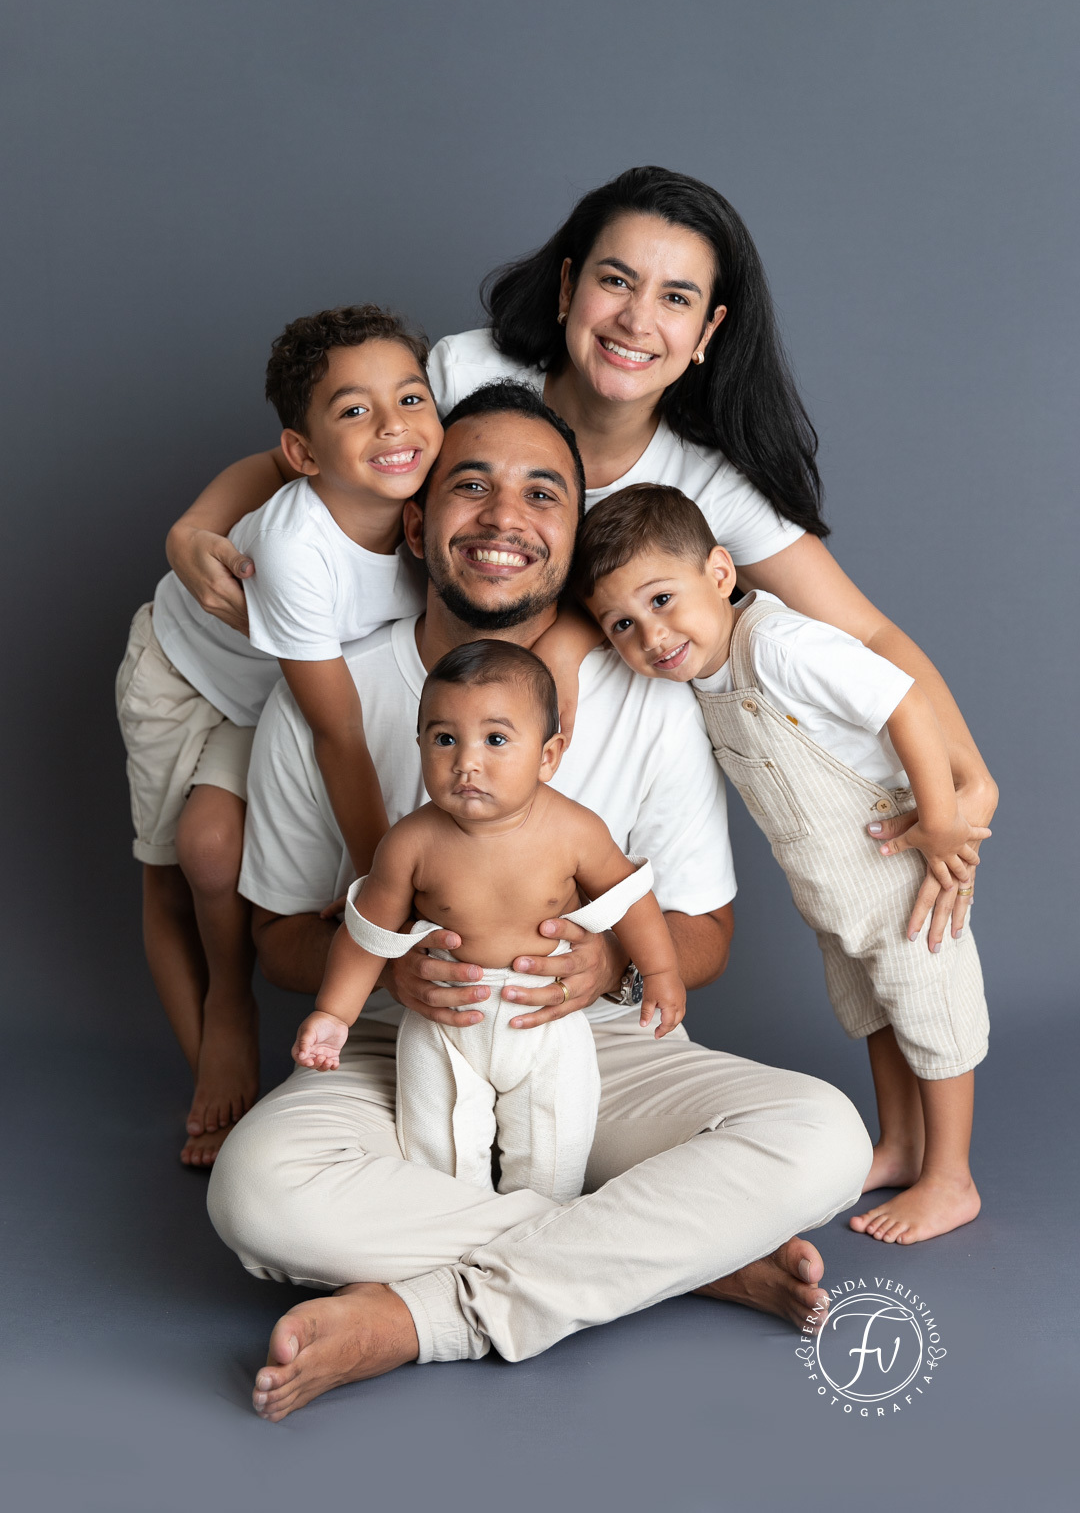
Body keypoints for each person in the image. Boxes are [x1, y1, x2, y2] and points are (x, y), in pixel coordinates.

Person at [206, 382, 873, 1422]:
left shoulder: (642, 691)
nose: (505, 517)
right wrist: (388, 971)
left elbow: (703, 932)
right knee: (255, 1193)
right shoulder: (328, 691)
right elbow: (281, 939)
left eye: (543, 494)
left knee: (824, 1137)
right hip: (401, 1044)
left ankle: (429, 1316)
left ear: (571, 539)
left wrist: (609, 964)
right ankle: (675, 1256)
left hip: (590, 1041)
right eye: (470, 486)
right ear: (418, 526)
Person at [164, 166, 998, 957]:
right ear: (567, 289)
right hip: (289, 656)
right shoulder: (464, 375)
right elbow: (306, 463)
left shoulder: (710, 485)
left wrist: (969, 772)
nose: (637, 319)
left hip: (452, 702)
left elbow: (867, 634)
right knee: (198, 852)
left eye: (676, 298)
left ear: (707, 333)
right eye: (616, 280)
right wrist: (193, 528)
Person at [572, 483, 990, 1243]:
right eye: (623, 624)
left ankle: (950, 1177)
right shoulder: (703, 678)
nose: (652, 635)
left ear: (720, 573)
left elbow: (903, 702)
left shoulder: (778, 645)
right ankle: (900, 1144)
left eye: (662, 599)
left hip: (898, 870)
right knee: (877, 1011)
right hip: (834, 888)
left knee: (932, 1013)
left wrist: (938, 820)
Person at [115, 304, 442, 1165]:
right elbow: (339, 733)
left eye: (411, 398)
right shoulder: (301, 547)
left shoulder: (429, 499)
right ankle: (226, 1009)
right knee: (177, 868)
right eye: (355, 410)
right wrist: (385, 889)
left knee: (213, 846)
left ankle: (236, 996)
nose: (394, 426)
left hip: (271, 696)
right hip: (184, 672)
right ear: (306, 452)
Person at [294, 639, 683, 1202]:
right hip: (444, 1024)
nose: (466, 762)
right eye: (444, 739)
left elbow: (631, 899)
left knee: (554, 1156)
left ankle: (540, 1226)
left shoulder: (575, 831)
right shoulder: (409, 843)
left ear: (548, 755)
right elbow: (367, 936)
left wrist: (661, 972)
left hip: (545, 1019)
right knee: (440, 1160)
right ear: (420, 744)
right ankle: (458, 1224)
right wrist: (334, 1014)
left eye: (495, 739)